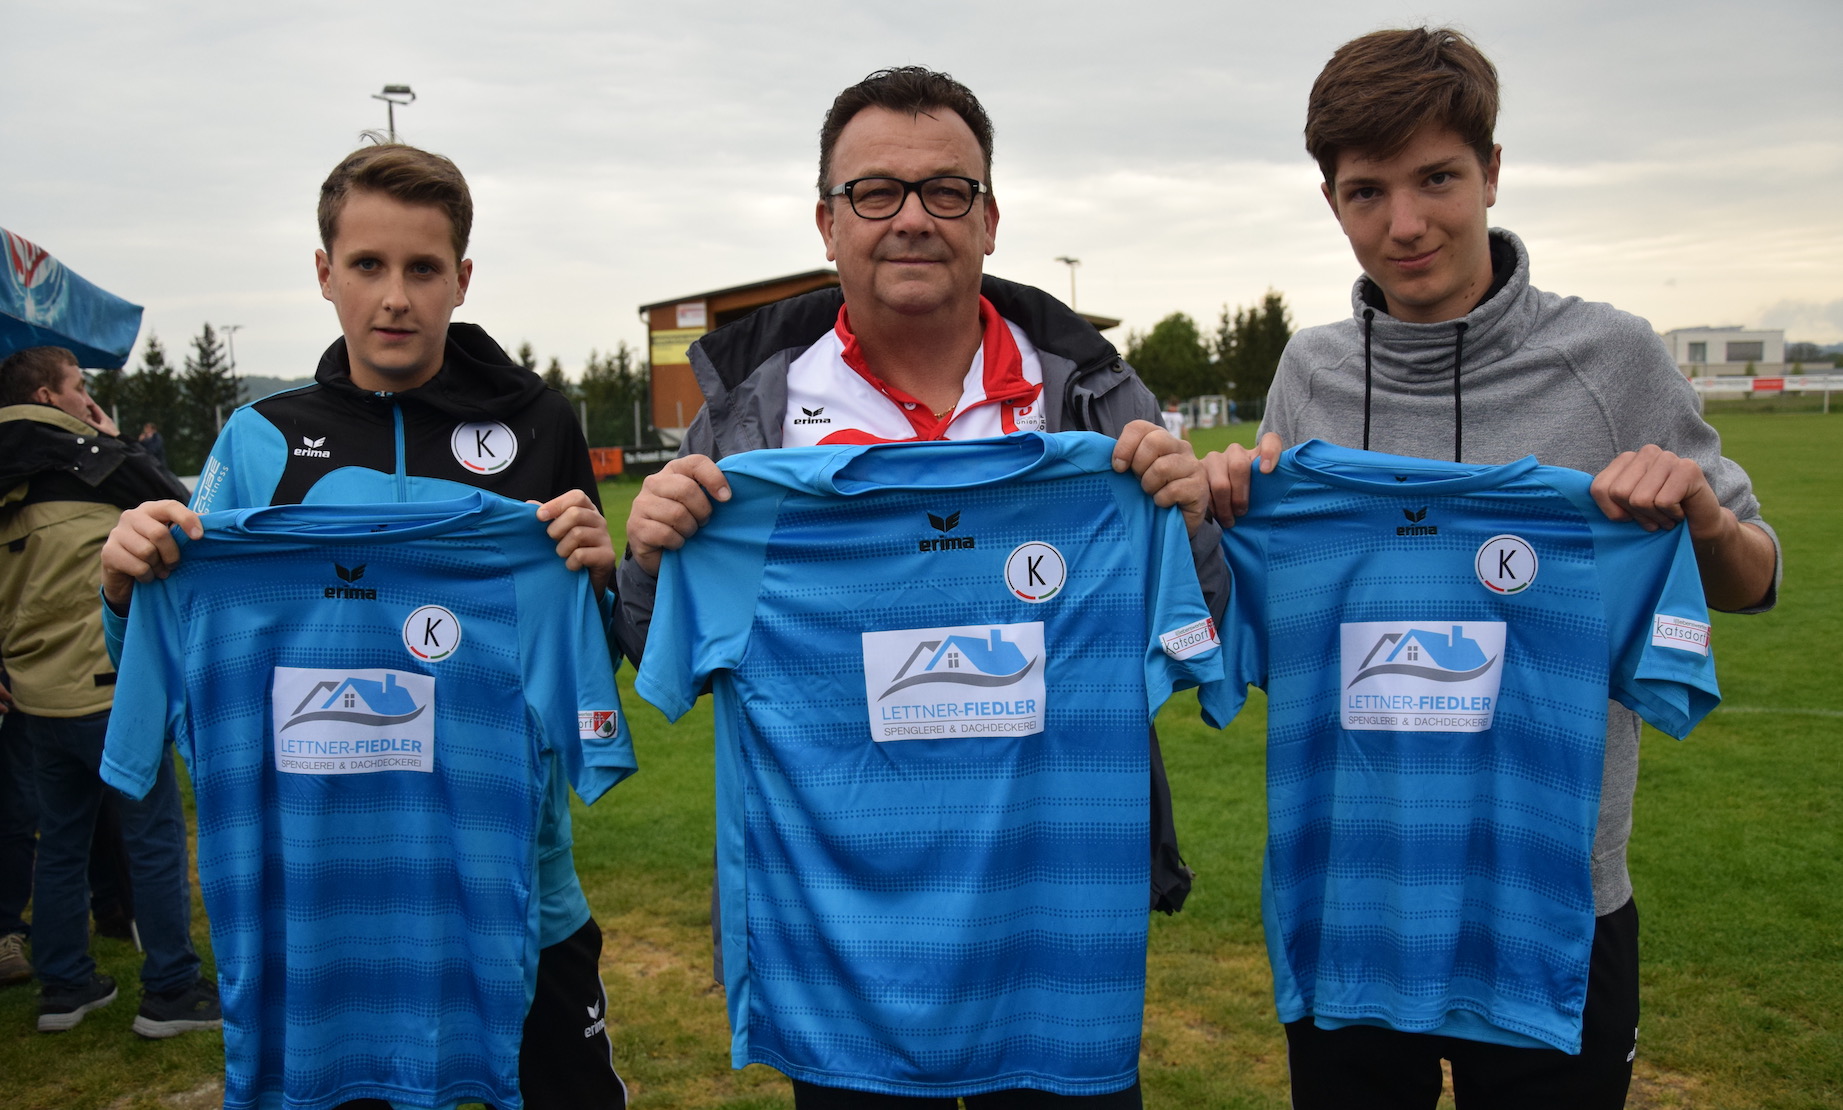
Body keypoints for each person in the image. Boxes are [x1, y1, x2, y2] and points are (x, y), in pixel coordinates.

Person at [618, 66, 1221, 1109]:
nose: (911, 219)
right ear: (826, 220)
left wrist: (1191, 521)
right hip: (844, 956)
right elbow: (657, 644)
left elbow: (1199, 629)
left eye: (946, 191)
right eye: (874, 192)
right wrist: (650, 557)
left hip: (1055, 949)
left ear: (988, 220)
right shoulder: (753, 428)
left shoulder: (1091, 410)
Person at [1202, 27, 1779, 1109]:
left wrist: (1697, 513)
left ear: (1493, 173)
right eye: (1366, 192)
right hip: (1352, 898)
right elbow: (1269, 633)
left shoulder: (1612, 359)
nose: (1405, 224)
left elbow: (1751, 578)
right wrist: (1225, 513)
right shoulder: (1309, 373)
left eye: (1436, 180)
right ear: (1330, 200)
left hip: (1555, 897)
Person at [98, 143, 627, 1109]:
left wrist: (593, 582)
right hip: (323, 899)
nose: (395, 297)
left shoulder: (539, 426)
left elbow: (577, 661)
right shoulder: (257, 441)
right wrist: (128, 588)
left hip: (515, 890)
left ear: (461, 280)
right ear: (323, 273)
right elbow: (177, 655)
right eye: (368, 266)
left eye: (423, 269)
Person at [0, 345, 218, 1036]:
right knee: (151, 838)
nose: (86, 397)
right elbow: (186, 511)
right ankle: (171, 991)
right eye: (79, 387)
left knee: (60, 842)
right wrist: (110, 435)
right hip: (110, 686)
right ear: (47, 394)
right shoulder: (89, 464)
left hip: (34, 694)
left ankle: (64, 987)